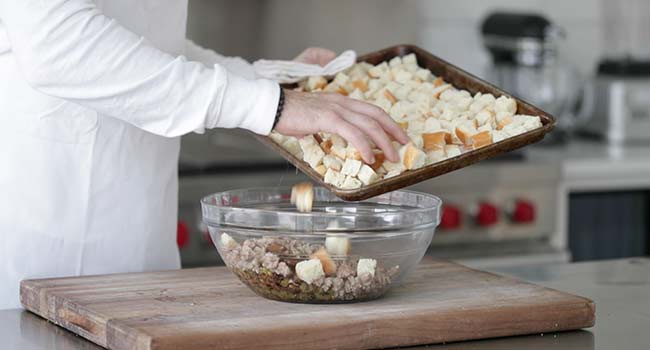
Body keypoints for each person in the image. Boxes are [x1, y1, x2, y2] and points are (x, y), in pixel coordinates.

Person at [0, 0, 408, 309]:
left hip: (141, 257)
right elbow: (56, 43)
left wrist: (269, 82)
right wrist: (270, 106)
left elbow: (146, 42)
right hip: (38, 258)